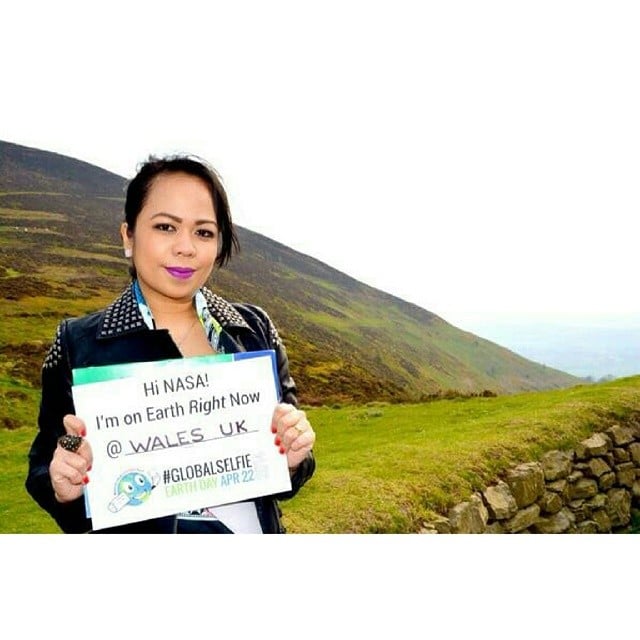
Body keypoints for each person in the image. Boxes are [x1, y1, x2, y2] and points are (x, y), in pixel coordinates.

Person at [25, 155, 316, 533]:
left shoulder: (252, 329)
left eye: (204, 232)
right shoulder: (78, 343)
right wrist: (63, 482)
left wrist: (294, 457)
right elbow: (45, 465)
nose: (186, 248)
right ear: (128, 236)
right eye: (165, 227)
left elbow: (293, 467)